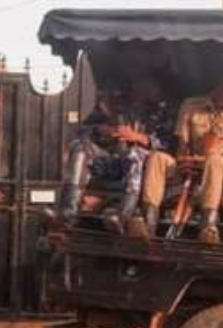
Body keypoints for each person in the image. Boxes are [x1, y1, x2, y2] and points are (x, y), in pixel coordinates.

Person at [128, 72, 223, 244]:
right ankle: (148, 224)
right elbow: (182, 146)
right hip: (190, 166)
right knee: (157, 157)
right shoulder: (191, 105)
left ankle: (208, 227)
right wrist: (184, 161)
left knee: (215, 160)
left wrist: (206, 161)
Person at [49, 73, 177, 232]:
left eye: (148, 83)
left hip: (141, 164)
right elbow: (85, 128)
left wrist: (137, 137)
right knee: (80, 148)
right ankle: (67, 215)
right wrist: (103, 130)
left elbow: (168, 145)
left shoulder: (163, 113)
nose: (142, 86)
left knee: (135, 154)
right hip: (110, 158)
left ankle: (121, 216)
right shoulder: (114, 104)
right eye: (139, 81)